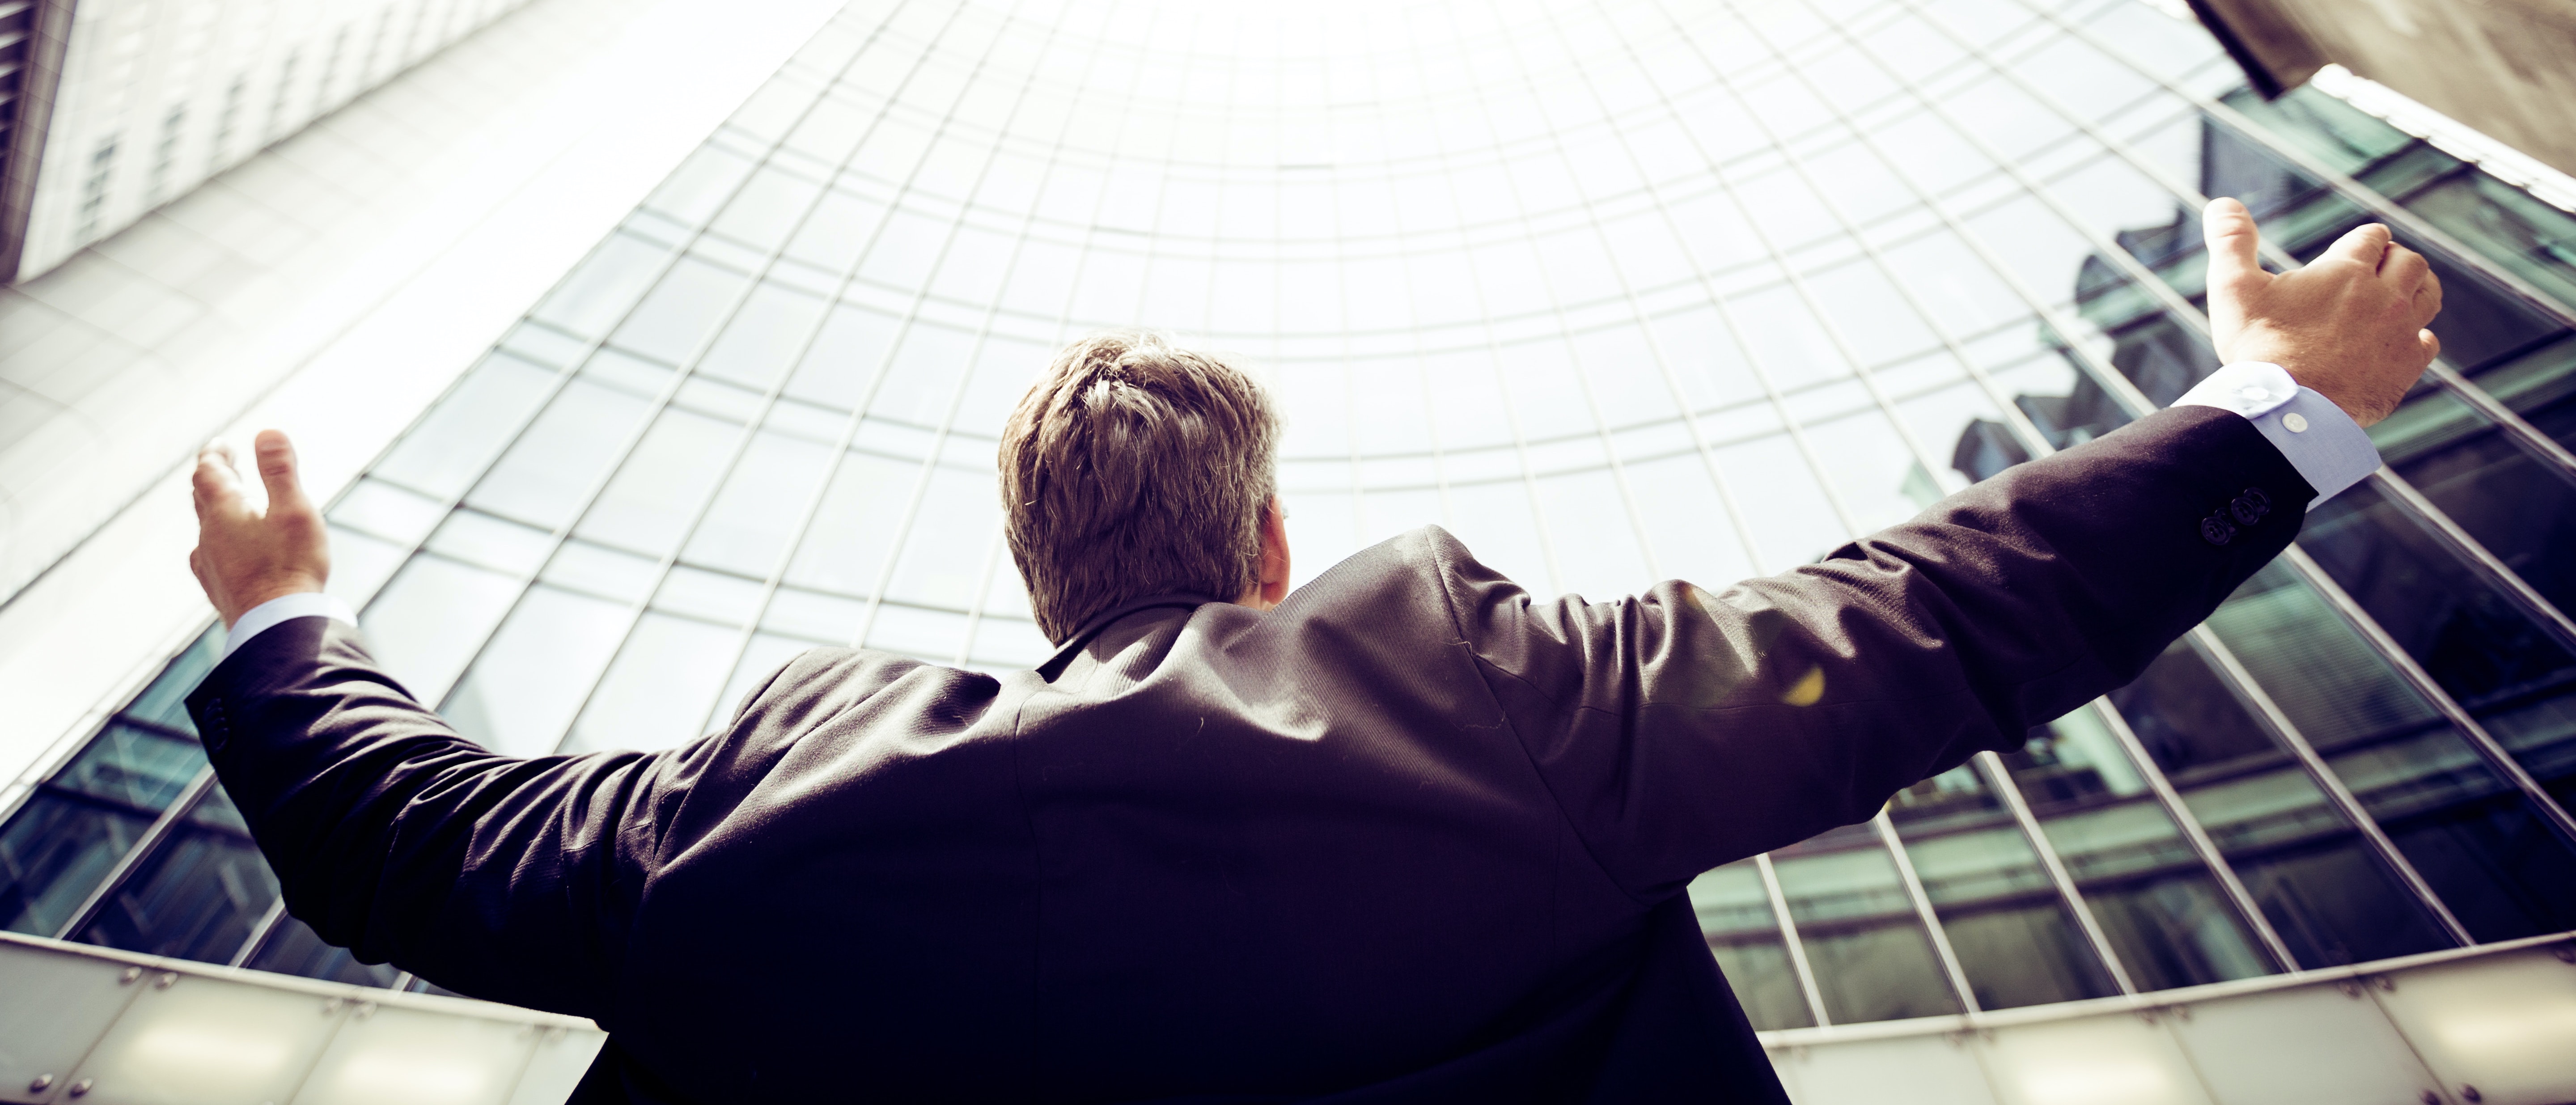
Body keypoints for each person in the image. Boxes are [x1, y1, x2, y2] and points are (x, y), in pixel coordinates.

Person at [183, 199, 2438, 1102]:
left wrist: (286, 607)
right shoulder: (1465, 684)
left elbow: (410, 844)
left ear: (1038, 580)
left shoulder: (762, 808)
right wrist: (2272, 408)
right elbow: (1917, 623)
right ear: (1270, 542)